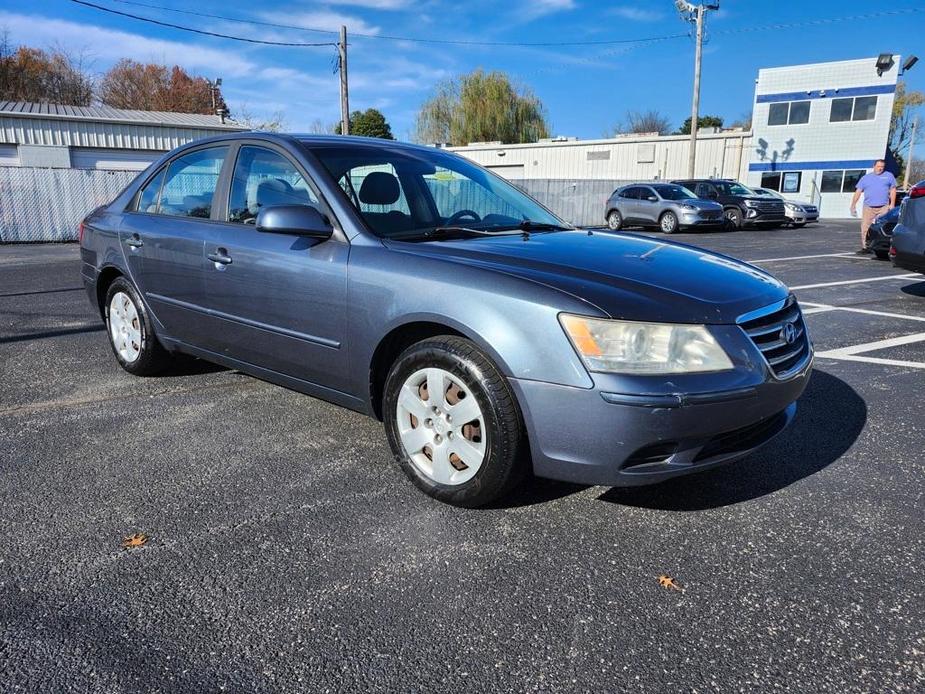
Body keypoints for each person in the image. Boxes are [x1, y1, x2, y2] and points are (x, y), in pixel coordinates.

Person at [850, 159, 897, 254]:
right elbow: (858, 192)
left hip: (883, 206)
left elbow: (893, 190)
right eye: (879, 166)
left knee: (884, 226)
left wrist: (892, 204)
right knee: (865, 227)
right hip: (868, 207)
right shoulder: (865, 178)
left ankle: (886, 247)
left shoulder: (889, 176)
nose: (880, 168)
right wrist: (853, 205)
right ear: (874, 166)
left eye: (882, 167)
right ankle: (865, 247)